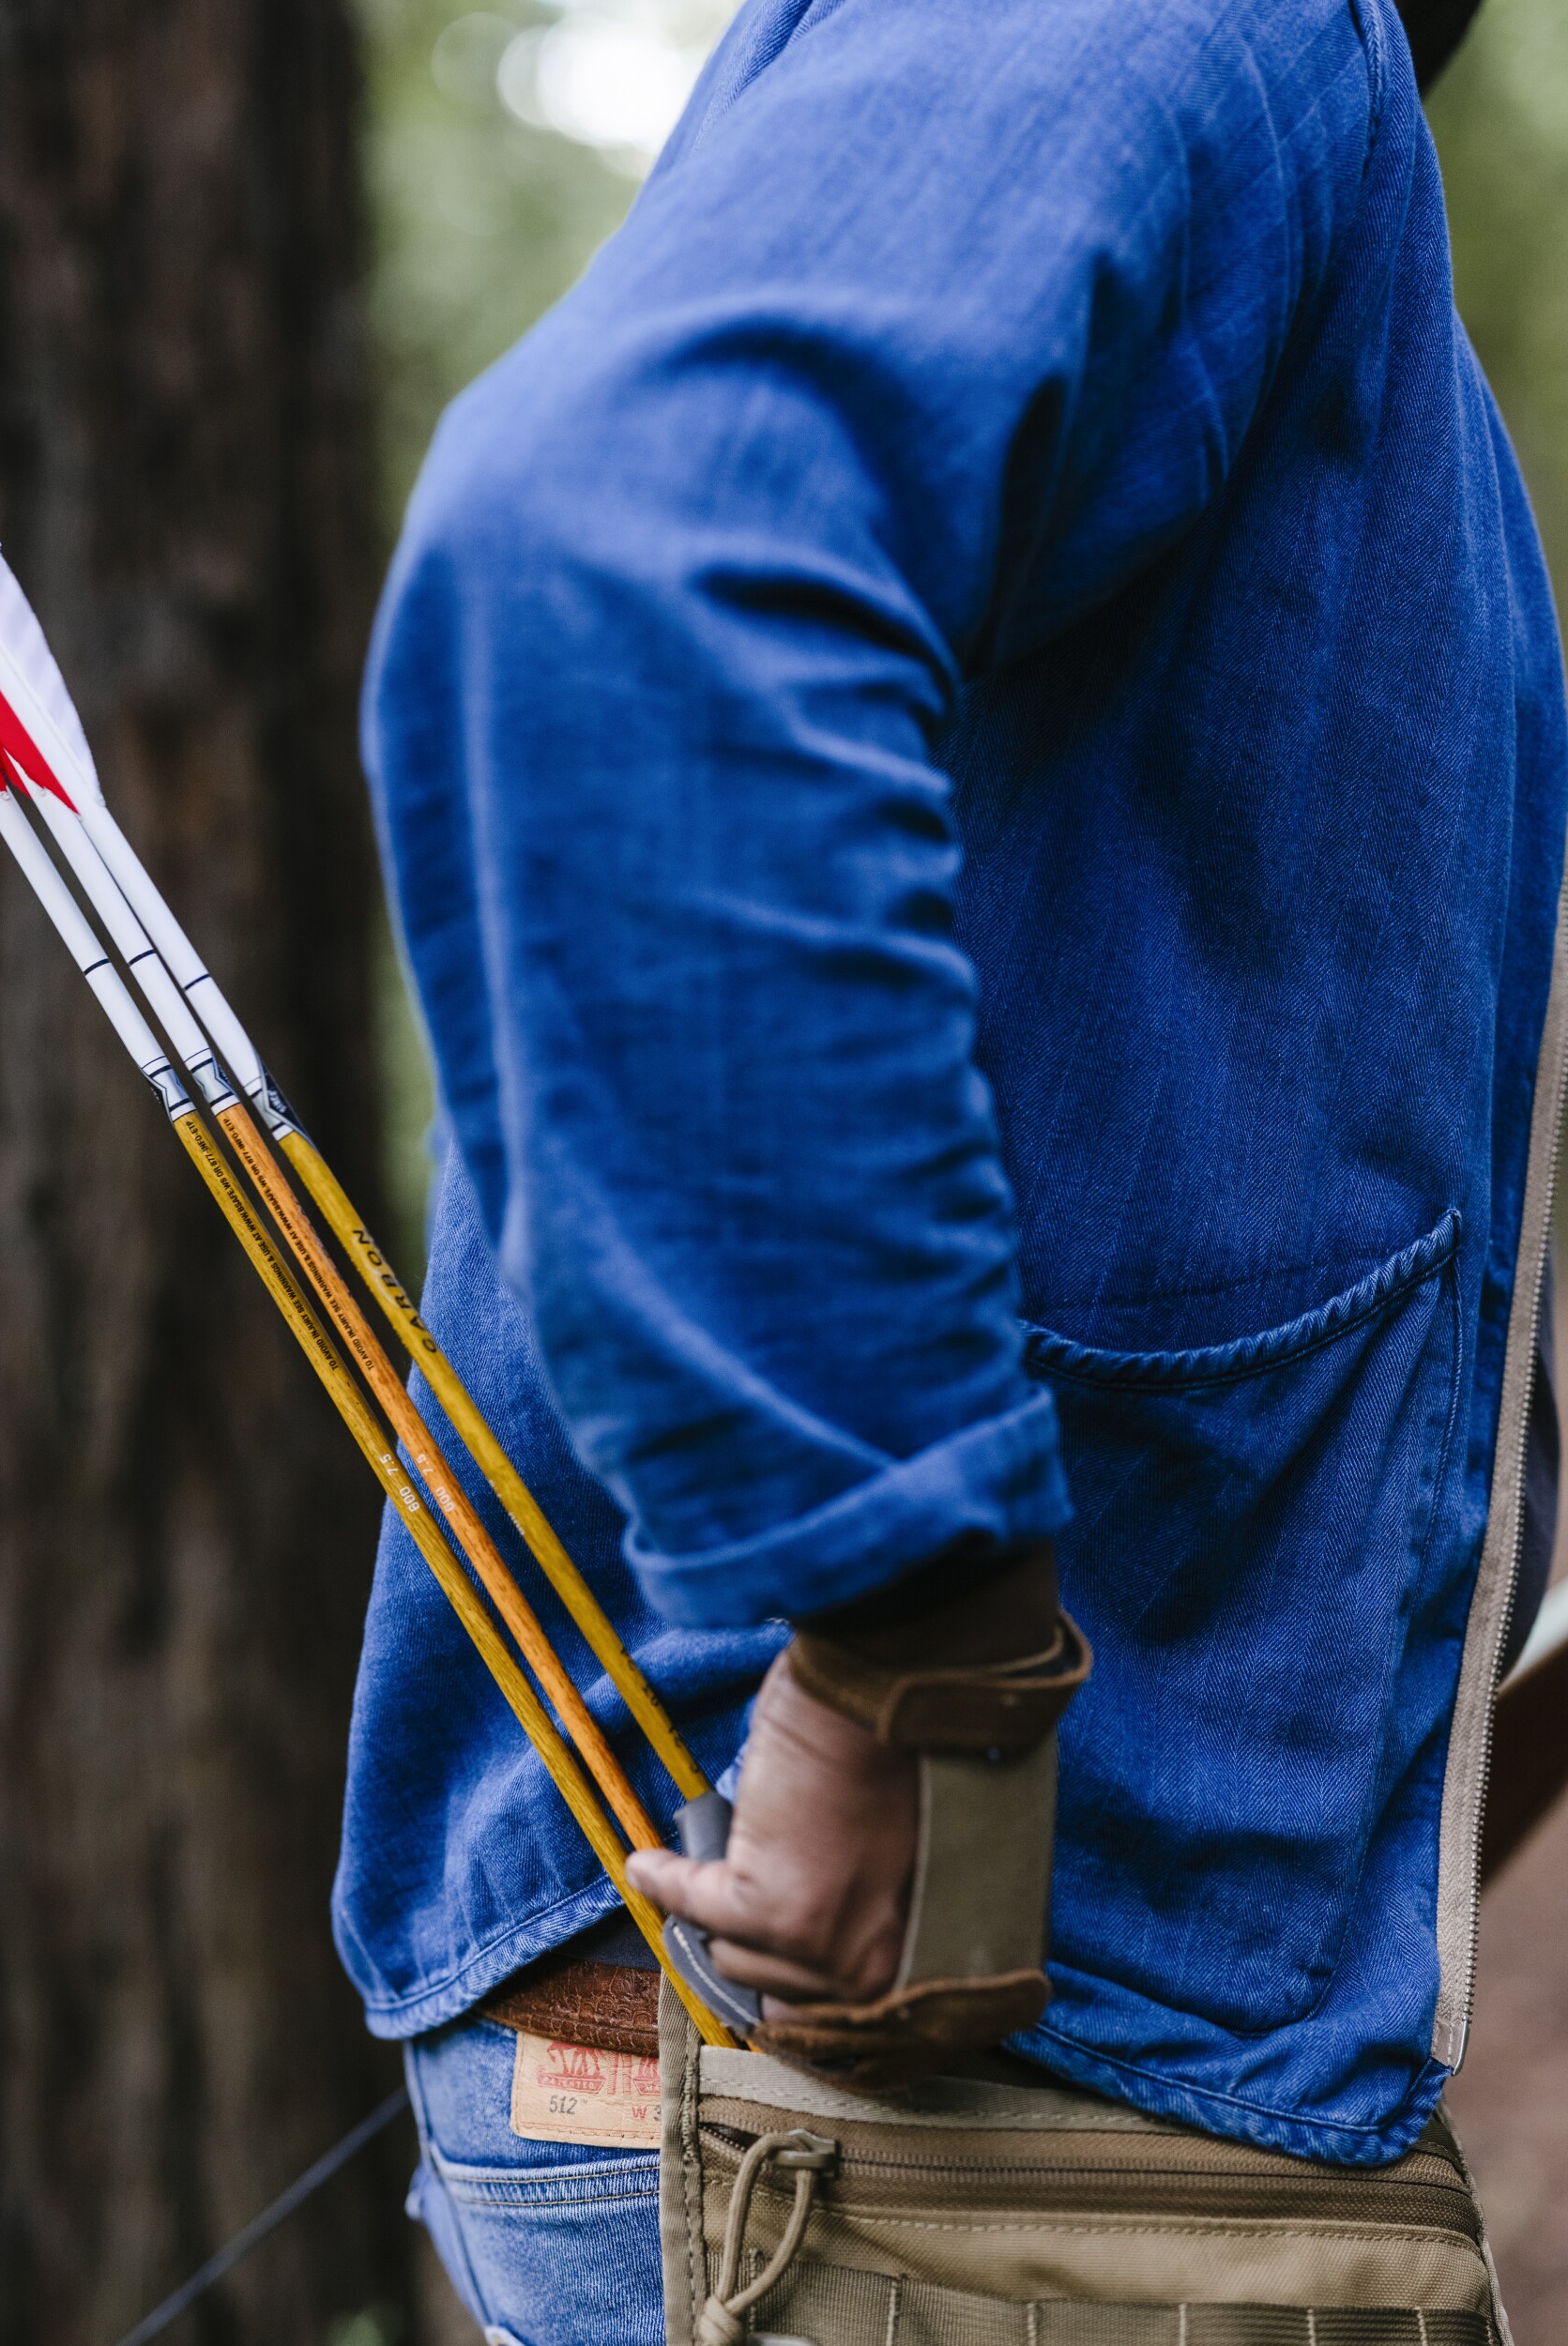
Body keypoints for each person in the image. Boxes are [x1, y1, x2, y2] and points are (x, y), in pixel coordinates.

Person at [333, 0, 1567, 2336]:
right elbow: (632, 558)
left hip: (1054, 2072)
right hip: (901, 2094)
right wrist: (915, 1640)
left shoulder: (1288, 156)